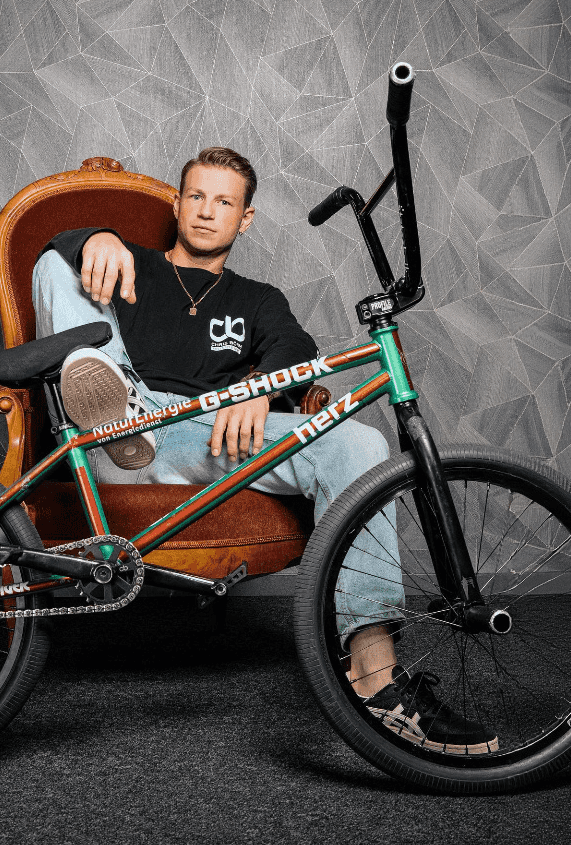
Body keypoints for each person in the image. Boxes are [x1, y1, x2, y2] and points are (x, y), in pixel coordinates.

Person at [32, 147, 496, 754]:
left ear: (244, 219)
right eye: (195, 197)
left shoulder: (257, 298)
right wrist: (88, 238)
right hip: (109, 436)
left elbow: (298, 353)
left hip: (206, 436)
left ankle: (377, 676)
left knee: (360, 440)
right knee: (52, 263)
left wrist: (261, 390)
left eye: (223, 202)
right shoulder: (131, 263)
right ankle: (111, 405)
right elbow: (57, 262)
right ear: (177, 204)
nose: (205, 212)